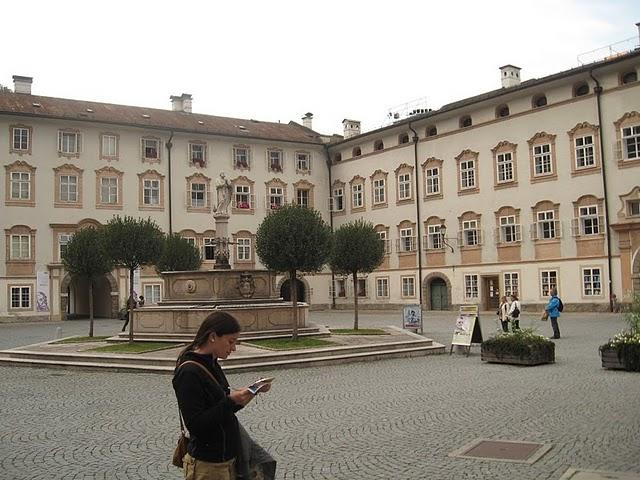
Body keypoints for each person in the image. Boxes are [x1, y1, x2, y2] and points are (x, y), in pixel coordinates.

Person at [172, 312, 271, 479]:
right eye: (231, 341)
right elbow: (196, 425)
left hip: (226, 460)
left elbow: (223, 409)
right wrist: (231, 402)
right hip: (208, 466)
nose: (233, 348)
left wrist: (252, 392)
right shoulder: (189, 372)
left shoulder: (212, 362)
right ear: (212, 337)